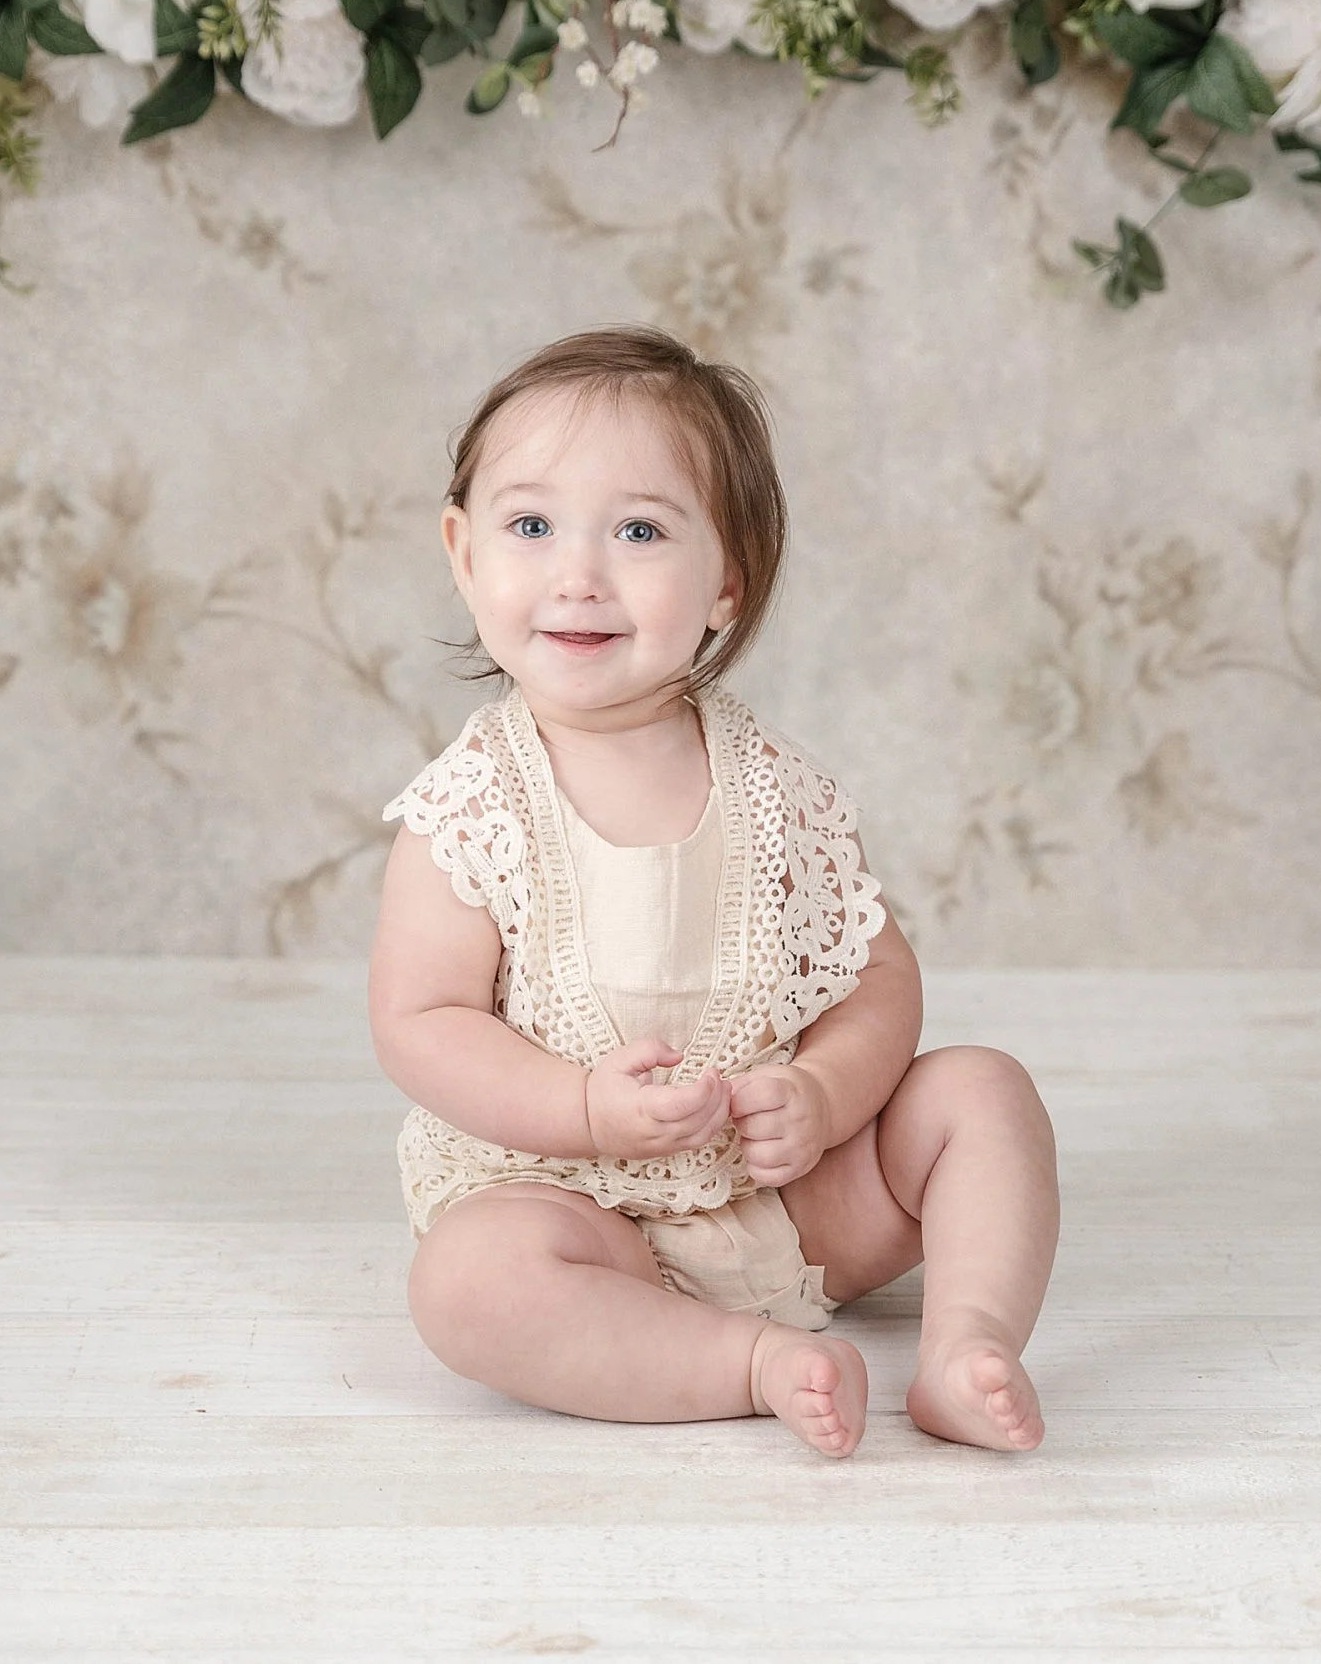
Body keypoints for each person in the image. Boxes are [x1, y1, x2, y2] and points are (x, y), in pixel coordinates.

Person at [367, 324, 1059, 1459]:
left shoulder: (776, 784)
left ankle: (965, 1342)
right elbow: (421, 1021)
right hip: (575, 1207)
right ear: (462, 551)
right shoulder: (471, 805)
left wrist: (829, 1093)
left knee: (982, 1091)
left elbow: (873, 975)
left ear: (725, 579)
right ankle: (749, 1362)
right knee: (465, 1282)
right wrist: (585, 1109)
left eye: (638, 529)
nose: (577, 572)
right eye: (529, 524)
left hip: (785, 1196)